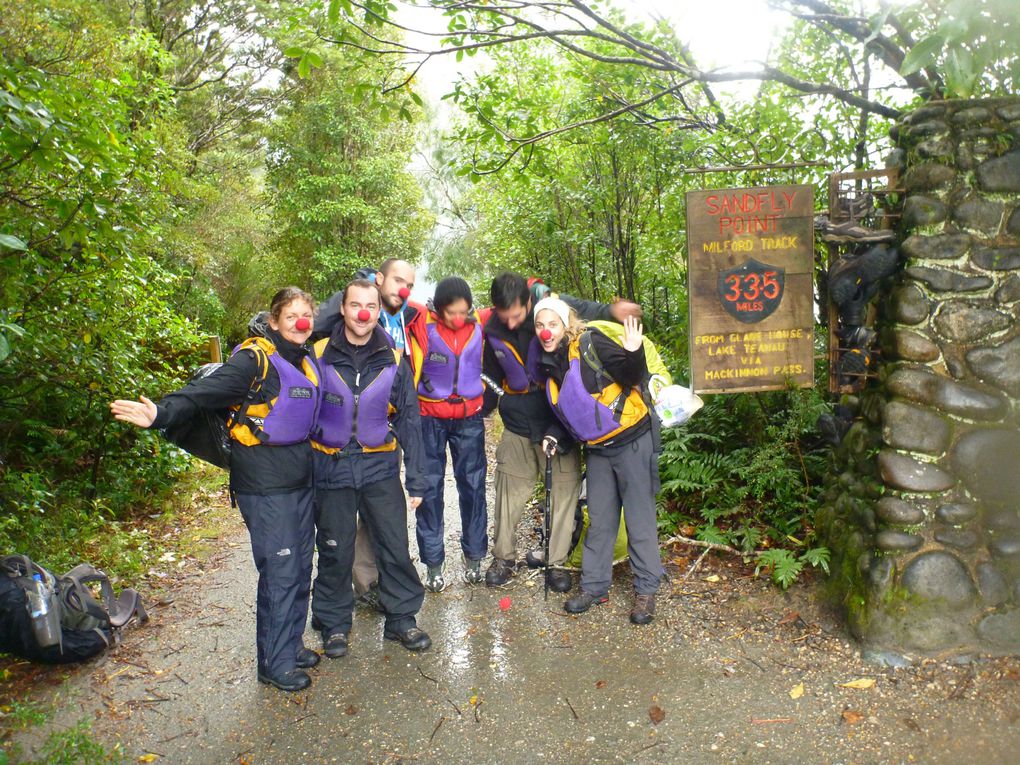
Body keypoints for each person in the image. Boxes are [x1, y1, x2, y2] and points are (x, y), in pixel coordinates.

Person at [110, 288, 321, 691]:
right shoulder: (253, 360)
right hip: (263, 484)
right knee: (279, 571)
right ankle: (273, 664)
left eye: (306, 315)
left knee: (298, 568)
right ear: (274, 321)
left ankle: (290, 646)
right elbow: (202, 394)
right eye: (291, 315)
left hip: (299, 479)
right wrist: (159, 413)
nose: (300, 322)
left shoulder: (307, 360)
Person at [481, 272, 642, 592]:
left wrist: (611, 311)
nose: (512, 323)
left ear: (529, 303)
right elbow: (489, 374)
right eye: (504, 316)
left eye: (517, 315)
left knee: (565, 496)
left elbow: (579, 310)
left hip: (562, 423)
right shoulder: (491, 330)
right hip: (516, 424)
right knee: (508, 493)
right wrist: (486, 405)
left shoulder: (548, 313)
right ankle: (503, 557)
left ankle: (556, 562)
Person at [310, 278, 432, 657]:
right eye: (355, 305)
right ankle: (333, 623)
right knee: (335, 549)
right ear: (343, 309)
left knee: (393, 545)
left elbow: (411, 419)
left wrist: (416, 479)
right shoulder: (316, 352)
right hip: (331, 468)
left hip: (379, 466)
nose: (363, 314)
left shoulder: (395, 357)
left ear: (378, 312)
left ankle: (401, 620)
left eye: (370, 307)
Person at [533, 297, 663, 625]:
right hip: (599, 449)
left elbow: (633, 375)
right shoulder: (550, 366)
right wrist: (553, 436)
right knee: (601, 520)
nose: (546, 331)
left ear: (566, 324)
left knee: (639, 520)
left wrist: (634, 350)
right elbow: (573, 414)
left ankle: (646, 591)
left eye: (552, 324)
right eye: (540, 325)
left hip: (633, 438)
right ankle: (594, 586)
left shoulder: (591, 343)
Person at [409, 277, 491, 591]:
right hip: (429, 417)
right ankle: (433, 564)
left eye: (463, 311)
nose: (458, 319)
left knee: (473, 487)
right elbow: (382, 294)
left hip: (469, 418)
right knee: (429, 490)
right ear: (438, 308)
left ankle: (474, 557)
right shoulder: (420, 319)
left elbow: (523, 294)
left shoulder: (480, 322)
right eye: (451, 313)